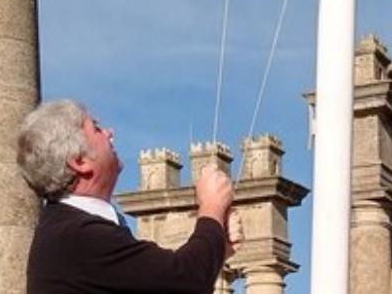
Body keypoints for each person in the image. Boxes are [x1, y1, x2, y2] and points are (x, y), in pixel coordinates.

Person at [17, 99, 237, 293]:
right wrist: (212, 208)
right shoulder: (77, 236)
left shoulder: (69, 231)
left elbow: (165, 282)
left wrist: (217, 246)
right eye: (96, 129)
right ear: (79, 162)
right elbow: (186, 280)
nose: (109, 132)